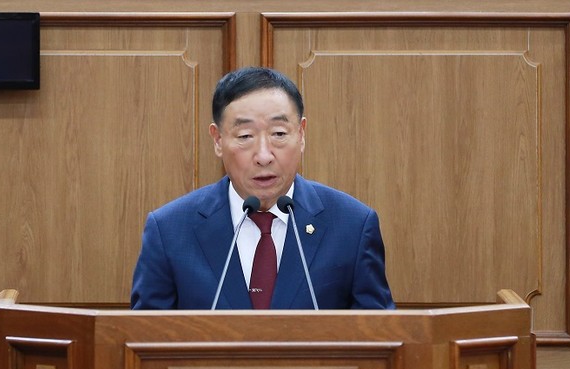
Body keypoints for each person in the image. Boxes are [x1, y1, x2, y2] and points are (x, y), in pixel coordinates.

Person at [130, 66, 394, 310]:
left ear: (301, 134)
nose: (264, 156)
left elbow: (379, 336)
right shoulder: (169, 230)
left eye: (279, 134)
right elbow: (145, 338)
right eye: (245, 136)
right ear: (218, 140)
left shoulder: (353, 225)